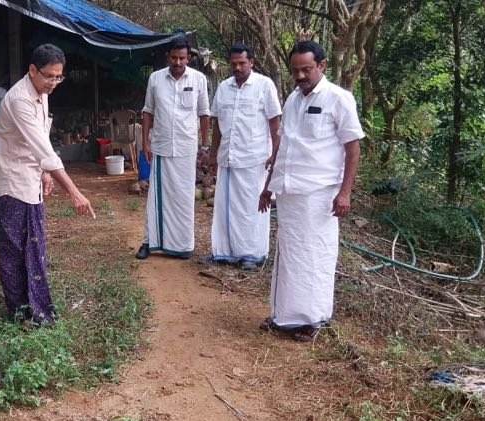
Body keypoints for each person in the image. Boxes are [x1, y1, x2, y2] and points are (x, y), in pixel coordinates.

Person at [258, 40, 364, 342]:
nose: (300, 76)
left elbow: (353, 149)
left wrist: (345, 192)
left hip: (319, 195)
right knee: (289, 255)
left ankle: (313, 319)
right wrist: (268, 187)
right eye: (295, 70)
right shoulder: (292, 100)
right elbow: (283, 146)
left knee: (314, 256)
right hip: (289, 192)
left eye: (306, 69)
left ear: (322, 65)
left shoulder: (338, 99)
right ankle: (283, 315)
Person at [0, 43, 96, 325]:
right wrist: (74, 192)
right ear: (32, 70)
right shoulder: (19, 100)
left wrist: (44, 173)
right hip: (12, 182)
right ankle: (19, 312)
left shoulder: (42, 93)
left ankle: (37, 309)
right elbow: (44, 150)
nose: (53, 82)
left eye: (58, 77)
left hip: (30, 180)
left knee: (34, 246)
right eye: (49, 76)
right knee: (13, 250)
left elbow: (40, 141)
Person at [202, 44, 282, 270]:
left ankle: (252, 254)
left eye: (242, 63)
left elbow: (274, 123)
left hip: (254, 158)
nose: (237, 67)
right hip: (227, 158)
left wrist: (275, 154)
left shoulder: (264, 85)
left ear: (251, 63)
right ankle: (223, 252)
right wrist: (213, 154)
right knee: (224, 206)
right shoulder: (223, 88)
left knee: (251, 208)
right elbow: (217, 124)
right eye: (234, 63)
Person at [135, 36, 210, 260]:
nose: (178, 62)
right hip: (161, 147)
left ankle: (183, 246)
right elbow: (147, 111)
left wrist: (205, 146)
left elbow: (204, 114)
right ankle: (149, 242)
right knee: (156, 198)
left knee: (184, 199)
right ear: (168, 57)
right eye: (174, 58)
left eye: (182, 58)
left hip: (187, 148)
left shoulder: (198, 79)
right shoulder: (156, 79)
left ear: (188, 58)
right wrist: (145, 142)